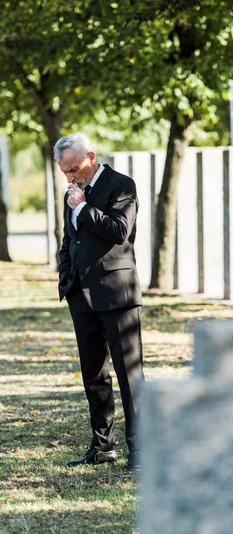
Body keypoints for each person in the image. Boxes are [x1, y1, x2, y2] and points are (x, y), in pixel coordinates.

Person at [55, 132, 143, 471]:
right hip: (81, 294)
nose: (70, 178)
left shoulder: (122, 185)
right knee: (94, 374)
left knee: (129, 376)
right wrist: (66, 277)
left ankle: (141, 450)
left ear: (91, 157)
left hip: (116, 294)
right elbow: (70, 240)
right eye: (64, 172)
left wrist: (83, 206)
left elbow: (119, 230)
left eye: (74, 169)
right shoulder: (73, 193)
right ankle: (103, 445)